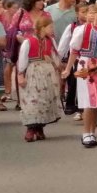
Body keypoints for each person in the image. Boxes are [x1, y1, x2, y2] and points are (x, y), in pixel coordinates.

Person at [64, 3, 97, 147]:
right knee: (90, 101)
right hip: (87, 65)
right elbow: (74, 51)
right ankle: (86, 132)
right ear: (93, 14)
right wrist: (68, 68)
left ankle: (92, 131)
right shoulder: (82, 29)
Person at [17, 13, 61, 142]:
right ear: (42, 27)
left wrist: (55, 64)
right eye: (50, 27)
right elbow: (23, 59)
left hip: (47, 72)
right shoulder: (28, 41)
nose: (52, 30)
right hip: (34, 72)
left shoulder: (50, 41)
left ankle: (40, 127)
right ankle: (30, 129)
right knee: (33, 99)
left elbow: (55, 56)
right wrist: (21, 74)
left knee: (46, 100)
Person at [4, 0, 47, 111]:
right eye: (39, 0)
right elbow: (12, 29)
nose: (42, 2)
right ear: (32, 1)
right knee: (22, 70)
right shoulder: (21, 13)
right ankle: (21, 100)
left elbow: (50, 32)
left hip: (40, 48)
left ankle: (38, 100)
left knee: (38, 73)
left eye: (42, 0)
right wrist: (18, 36)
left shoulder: (46, 14)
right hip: (23, 46)